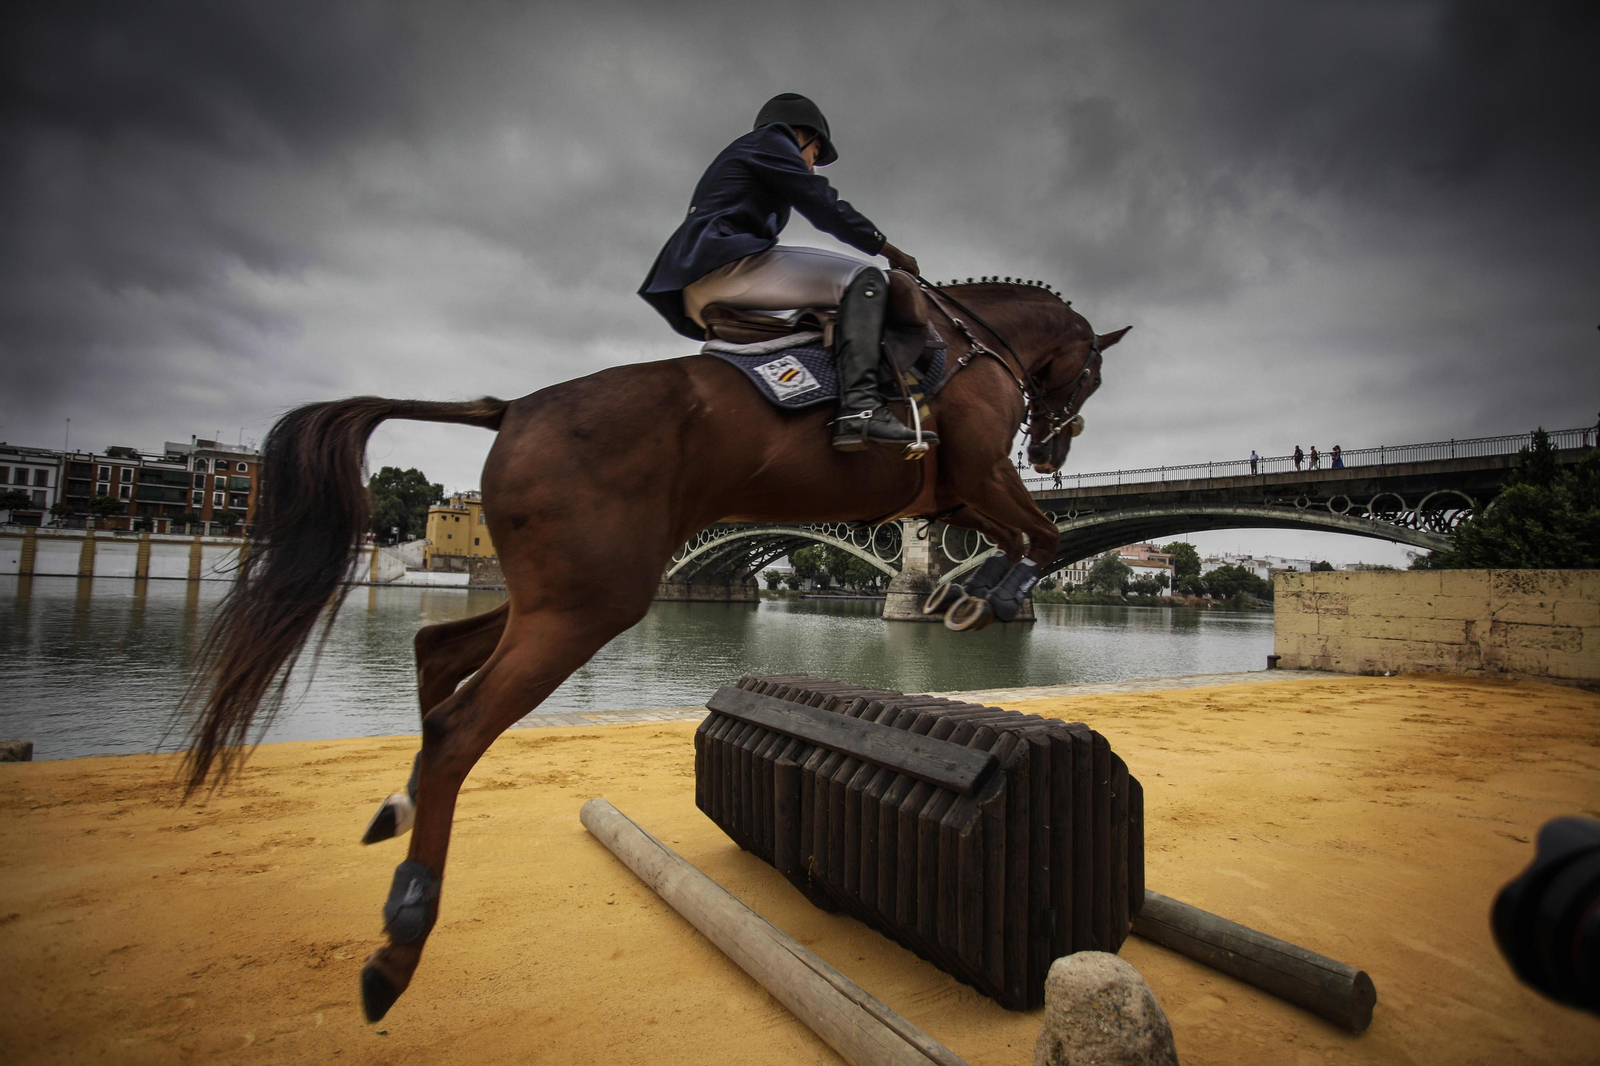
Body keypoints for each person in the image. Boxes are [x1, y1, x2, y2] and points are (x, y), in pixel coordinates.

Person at [639, 93, 930, 452]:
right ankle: (862, 408)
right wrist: (887, 248)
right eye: (815, 156)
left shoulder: (751, 151)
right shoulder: (772, 140)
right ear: (806, 135)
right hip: (726, 263)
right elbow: (825, 208)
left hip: (695, 286)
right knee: (867, 278)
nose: (812, 166)